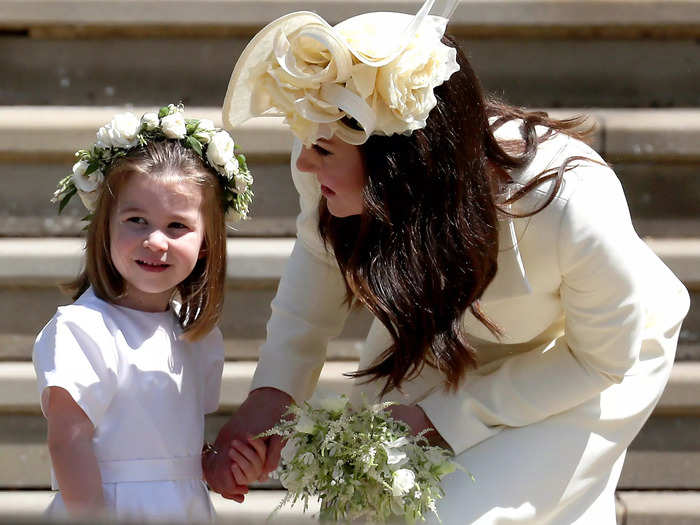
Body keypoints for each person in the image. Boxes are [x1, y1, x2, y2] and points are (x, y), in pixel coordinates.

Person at [205, 1, 691, 522]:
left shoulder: (571, 206)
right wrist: (273, 394)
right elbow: (318, 265)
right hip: (443, 331)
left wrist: (445, 417)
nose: (303, 162)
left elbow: (600, 361)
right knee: (364, 506)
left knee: (458, 516)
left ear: (400, 161)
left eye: (322, 150)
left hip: (582, 359)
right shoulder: (330, 161)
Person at [33, 104, 262, 522]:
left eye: (177, 226)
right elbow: (68, 443)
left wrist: (214, 467)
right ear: (106, 228)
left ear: (206, 243)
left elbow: (173, 452)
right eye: (137, 220)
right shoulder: (83, 329)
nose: (156, 241)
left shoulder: (197, 337)